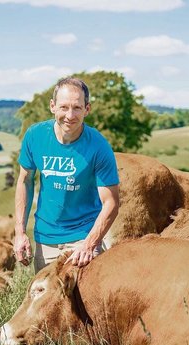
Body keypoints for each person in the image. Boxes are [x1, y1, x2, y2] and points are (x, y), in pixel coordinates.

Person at [13, 77, 120, 272]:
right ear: (53, 106)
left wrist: (90, 244)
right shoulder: (34, 136)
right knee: (48, 301)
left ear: (87, 109)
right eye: (64, 107)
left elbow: (111, 203)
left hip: (84, 238)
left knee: (88, 301)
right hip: (45, 240)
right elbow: (25, 180)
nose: (70, 115)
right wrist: (20, 233)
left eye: (77, 108)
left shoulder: (99, 146)